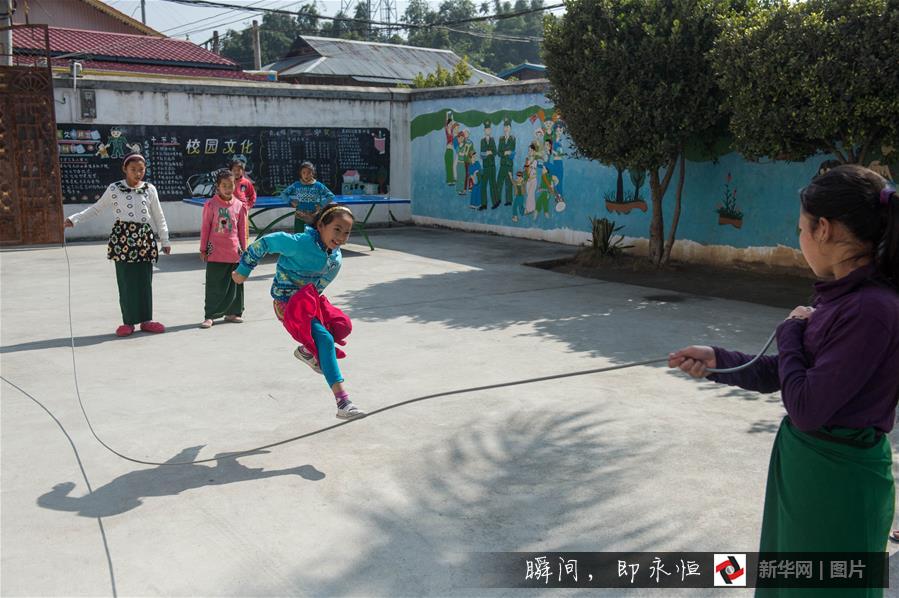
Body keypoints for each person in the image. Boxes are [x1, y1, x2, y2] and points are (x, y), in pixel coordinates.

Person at [669, 165, 899, 597]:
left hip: (837, 484)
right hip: (808, 474)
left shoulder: (872, 310)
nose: (800, 239)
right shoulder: (843, 299)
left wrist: (791, 332)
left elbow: (807, 406)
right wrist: (719, 360)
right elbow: (789, 373)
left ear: (824, 229)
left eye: (800, 229)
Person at [231, 204, 364, 420]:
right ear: (321, 225)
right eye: (337, 229)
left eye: (347, 232)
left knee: (342, 325)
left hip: (309, 300)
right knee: (325, 340)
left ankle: (306, 351)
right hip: (286, 303)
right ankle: (343, 401)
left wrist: (316, 312)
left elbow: (320, 286)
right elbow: (264, 243)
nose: (341, 236)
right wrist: (243, 271)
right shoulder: (299, 243)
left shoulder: (336, 259)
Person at [64, 153, 171, 337]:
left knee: (144, 281)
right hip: (123, 238)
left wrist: (165, 239)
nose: (138, 173)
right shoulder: (114, 189)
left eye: (141, 170)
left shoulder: (150, 189)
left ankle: (147, 320)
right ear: (124, 169)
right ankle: (128, 322)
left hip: (144, 238)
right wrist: (74, 219)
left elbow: (158, 216)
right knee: (126, 281)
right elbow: (96, 208)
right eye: (133, 170)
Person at [199, 169, 248, 329]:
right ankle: (210, 315)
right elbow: (205, 227)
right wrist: (203, 248)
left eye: (231, 185)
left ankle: (234, 312)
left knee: (235, 283)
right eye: (224, 185)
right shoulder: (210, 204)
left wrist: (244, 249)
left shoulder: (240, 206)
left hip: (234, 252)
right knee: (214, 284)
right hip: (215, 252)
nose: (228, 188)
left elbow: (242, 229)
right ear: (217, 187)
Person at [279, 161, 335, 233]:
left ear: (313, 173)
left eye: (309, 172)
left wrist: (321, 204)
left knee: (313, 235)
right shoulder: (296, 185)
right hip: (300, 215)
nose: (306, 175)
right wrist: (290, 201)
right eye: (304, 173)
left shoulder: (318, 185)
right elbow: (283, 194)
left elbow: (331, 196)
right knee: (299, 235)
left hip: (314, 215)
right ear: (300, 174)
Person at [230, 157, 256, 247]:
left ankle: (244, 249)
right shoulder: (228, 182)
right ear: (231, 171)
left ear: (243, 171)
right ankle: (233, 248)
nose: (237, 172)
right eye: (234, 170)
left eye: (239, 170)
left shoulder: (246, 182)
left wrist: (248, 205)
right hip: (231, 210)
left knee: (243, 230)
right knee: (231, 229)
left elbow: (253, 195)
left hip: (243, 210)